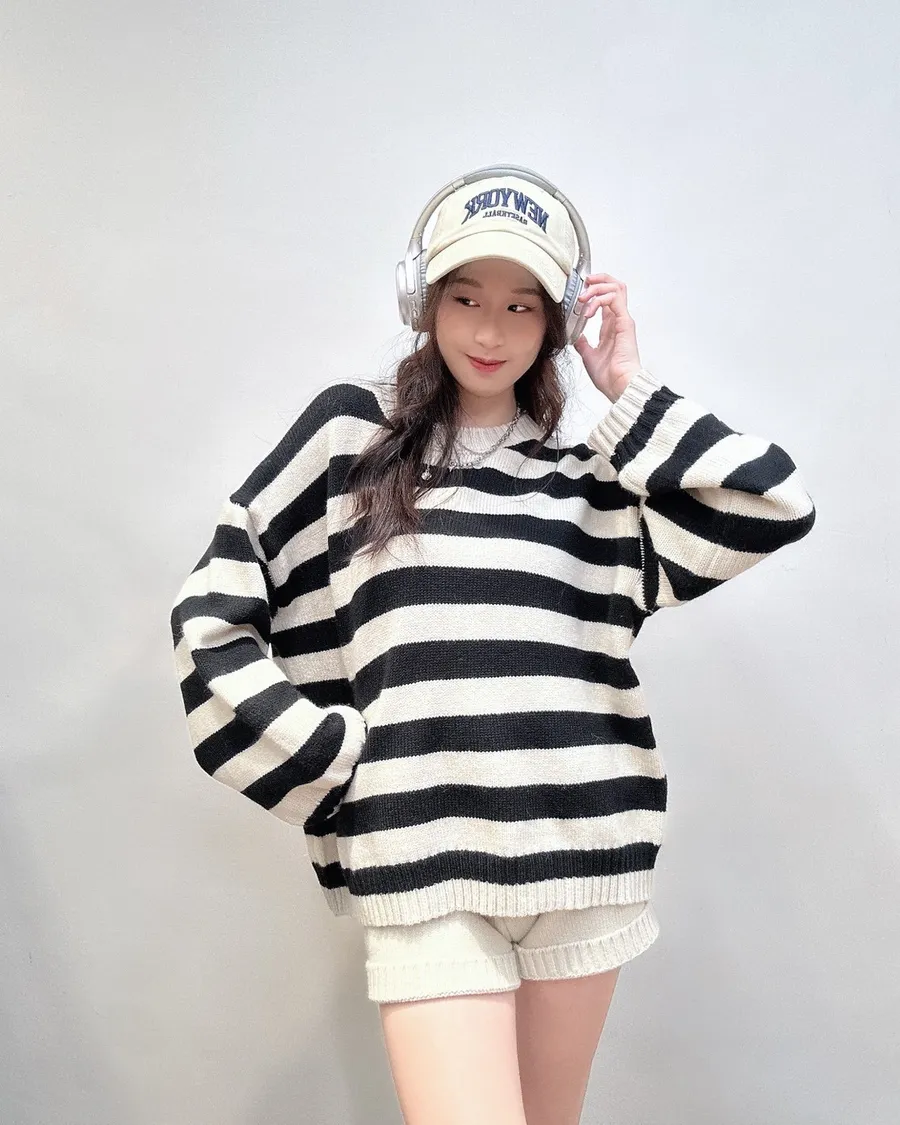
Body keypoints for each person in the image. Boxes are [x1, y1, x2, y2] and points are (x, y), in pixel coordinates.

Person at [169, 167, 816, 1125]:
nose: (489, 330)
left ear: (555, 324)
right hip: (421, 861)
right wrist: (322, 757)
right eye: (466, 298)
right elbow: (215, 603)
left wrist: (626, 386)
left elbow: (774, 505)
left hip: (583, 855)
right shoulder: (352, 442)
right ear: (423, 300)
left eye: (521, 306)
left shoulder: (594, 482)